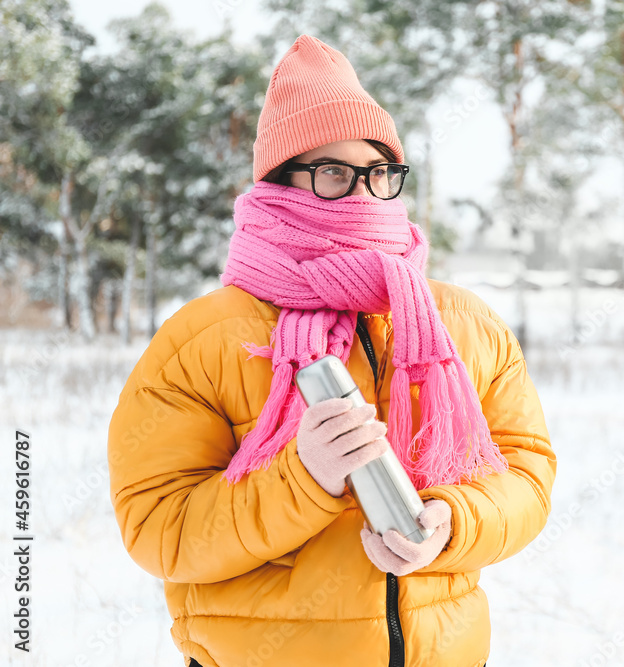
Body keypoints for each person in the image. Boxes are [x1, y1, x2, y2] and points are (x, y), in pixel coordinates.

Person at [107, 34, 555, 667]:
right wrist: (303, 477)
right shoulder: (203, 339)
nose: (364, 195)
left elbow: (526, 476)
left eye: (379, 173)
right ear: (279, 183)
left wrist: (455, 522)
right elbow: (160, 530)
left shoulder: (462, 325)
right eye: (334, 174)